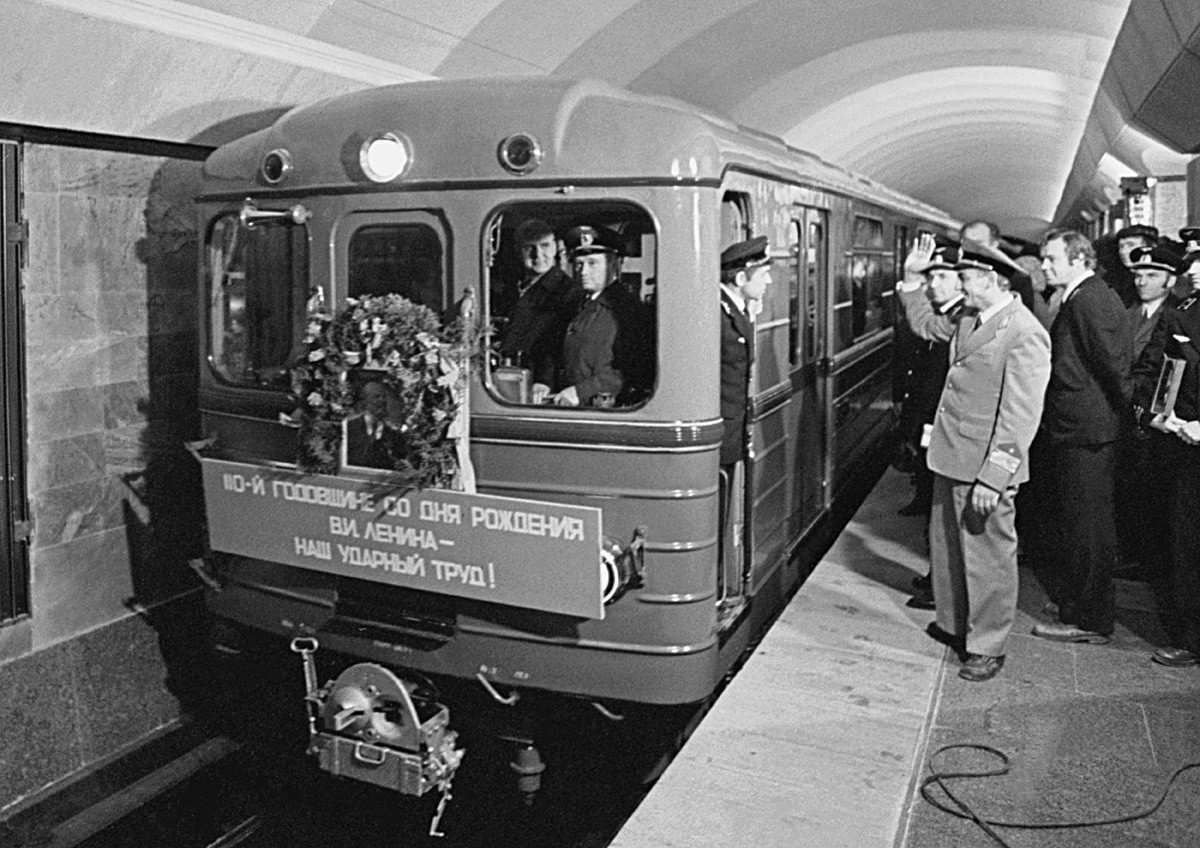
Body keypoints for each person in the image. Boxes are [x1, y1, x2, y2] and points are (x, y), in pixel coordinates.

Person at [898, 241, 1051, 682]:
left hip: (985, 464)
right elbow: (926, 327)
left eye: (966, 277)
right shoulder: (969, 317)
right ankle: (954, 624)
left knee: (988, 557)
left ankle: (988, 645)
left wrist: (994, 477)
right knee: (947, 548)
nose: (958, 284)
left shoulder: (1024, 332)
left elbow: (1021, 415)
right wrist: (910, 280)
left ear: (992, 280)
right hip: (950, 454)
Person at [1032, 229, 1132, 645]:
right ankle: (1076, 602)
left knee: (1089, 528)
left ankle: (1091, 620)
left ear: (1078, 258)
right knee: (1077, 524)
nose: (1044, 265)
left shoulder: (1091, 298)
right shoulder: (1081, 295)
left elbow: (1115, 368)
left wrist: (1129, 419)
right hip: (1078, 428)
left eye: (1052, 258)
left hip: (1088, 431)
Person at [1131, 252, 1200, 667]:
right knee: (1188, 543)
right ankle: (1192, 637)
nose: (1192, 270)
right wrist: (1160, 415)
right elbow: (1160, 370)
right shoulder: (1184, 314)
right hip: (1184, 448)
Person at [550, 225, 646, 407]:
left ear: (612, 265)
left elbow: (632, 372)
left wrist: (581, 392)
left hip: (607, 410)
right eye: (579, 264)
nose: (583, 271)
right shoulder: (576, 302)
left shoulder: (628, 310)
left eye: (592, 263)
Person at [496, 219, 580, 403]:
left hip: (540, 390)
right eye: (529, 247)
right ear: (518, 250)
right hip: (506, 381)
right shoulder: (511, 288)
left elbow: (558, 343)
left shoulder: (567, 291)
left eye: (545, 245)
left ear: (557, 247)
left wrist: (544, 380)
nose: (538, 254)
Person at [718, 235, 771, 469]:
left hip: (730, 429)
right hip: (720, 431)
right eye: (762, 274)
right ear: (740, 278)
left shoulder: (734, 309)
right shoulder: (717, 314)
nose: (768, 280)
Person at [959, 220, 1035, 310]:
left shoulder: (1015, 278)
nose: (969, 247)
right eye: (965, 242)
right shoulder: (956, 270)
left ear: (994, 244)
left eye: (978, 244)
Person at [1105, 224, 1159, 308]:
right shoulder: (1113, 278)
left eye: (1130, 245)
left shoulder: (1159, 277)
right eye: (1121, 246)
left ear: (1149, 246)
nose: (1123, 251)